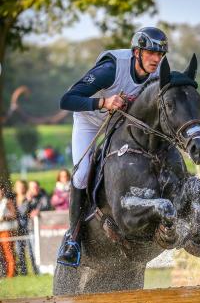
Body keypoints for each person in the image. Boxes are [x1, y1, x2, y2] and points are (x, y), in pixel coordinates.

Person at [57, 27, 168, 266]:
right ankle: (73, 240)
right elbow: (66, 100)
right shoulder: (111, 69)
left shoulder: (158, 72)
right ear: (136, 52)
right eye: (151, 53)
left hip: (120, 125)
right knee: (82, 174)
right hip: (90, 121)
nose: (156, 59)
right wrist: (104, 101)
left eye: (160, 55)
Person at [14, 180, 38, 275]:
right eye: (18, 187)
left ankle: (35, 270)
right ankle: (23, 272)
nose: (20, 188)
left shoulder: (29, 199)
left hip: (28, 227)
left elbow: (24, 212)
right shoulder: (13, 199)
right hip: (17, 228)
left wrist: (28, 200)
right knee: (19, 250)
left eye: (22, 186)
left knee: (31, 251)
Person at [0, 185, 17, 277]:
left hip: (6, 230)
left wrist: (4, 218)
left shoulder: (7, 202)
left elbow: (14, 215)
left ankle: (11, 274)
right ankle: (3, 273)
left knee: (8, 253)